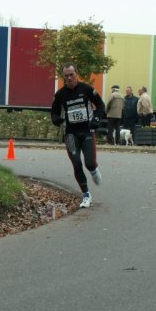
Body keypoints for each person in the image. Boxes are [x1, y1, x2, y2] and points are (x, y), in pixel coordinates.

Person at [51, 63, 106, 208]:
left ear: (77, 74)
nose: (69, 78)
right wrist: (56, 120)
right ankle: (86, 195)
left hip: (87, 131)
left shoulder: (87, 89)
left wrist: (96, 119)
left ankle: (94, 169)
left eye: (71, 75)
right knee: (76, 162)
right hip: (70, 134)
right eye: (66, 76)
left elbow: (101, 106)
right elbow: (54, 112)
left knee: (89, 163)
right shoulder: (60, 94)